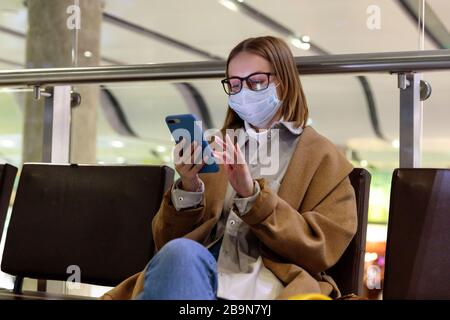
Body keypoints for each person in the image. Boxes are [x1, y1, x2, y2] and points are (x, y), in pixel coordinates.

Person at [101, 36, 357, 300]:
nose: (243, 93)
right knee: (180, 254)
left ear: (284, 80)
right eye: (234, 85)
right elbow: (166, 244)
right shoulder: (215, 146)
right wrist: (189, 186)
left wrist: (253, 197)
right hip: (194, 276)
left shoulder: (323, 159)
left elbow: (320, 250)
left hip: (268, 285)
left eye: (256, 82)